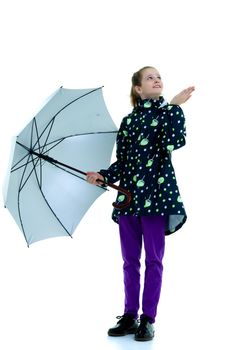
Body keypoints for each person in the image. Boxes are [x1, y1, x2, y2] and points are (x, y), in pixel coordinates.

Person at [86, 66, 195, 341]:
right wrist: (102, 176)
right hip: (129, 201)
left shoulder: (167, 113)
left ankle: (148, 319)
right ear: (138, 88)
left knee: (154, 261)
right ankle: (130, 315)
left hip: (157, 199)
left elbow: (173, 142)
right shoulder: (128, 122)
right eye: (150, 77)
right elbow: (122, 163)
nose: (157, 80)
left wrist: (173, 107)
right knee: (129, 261)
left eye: (159, 77)